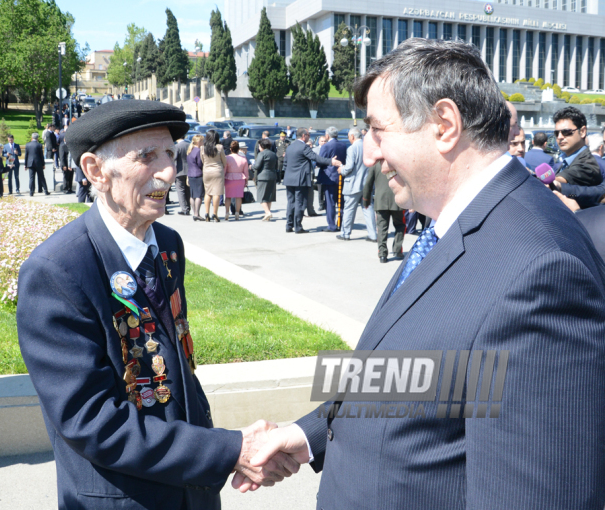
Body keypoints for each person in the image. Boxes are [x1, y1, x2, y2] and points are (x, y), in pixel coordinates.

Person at [245, 39, 605, 508]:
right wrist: (309, 432)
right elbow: (442, 374)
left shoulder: (541, 272)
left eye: (378, 130)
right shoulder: (456, 224)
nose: (369, 154)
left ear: (444, 125)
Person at [16, 100, 297, 509]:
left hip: (191, 489)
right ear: (96, 171)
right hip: (124, 498)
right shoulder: (56, 271)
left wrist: (218, 452)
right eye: (147, 157)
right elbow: (93, 423)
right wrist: (228, 450)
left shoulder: (167, 244)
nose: (169, 171)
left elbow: (175, 365)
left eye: (169, 154)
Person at [282, 128, 339, 234]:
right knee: (300, 202)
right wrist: (331, 161)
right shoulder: (304, 147)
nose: (309, 136)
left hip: (289, 179)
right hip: (300, 179)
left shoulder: (290, 147)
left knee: (291, 202)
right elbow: (315, 157)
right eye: (308, 135)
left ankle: (289, 225)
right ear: (304, 136)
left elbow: (285, 164)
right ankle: (298, 227)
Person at [363, 161, 404, 262]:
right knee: (400, 225)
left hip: (381, 200)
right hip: (397, 199)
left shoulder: (376, 165)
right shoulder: (398, 162)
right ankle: (397, 250)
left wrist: (366, 200)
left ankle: (382, 254)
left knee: (382, 228)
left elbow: (368, 183)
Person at [336, 127, 373, 241]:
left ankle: (345, 234)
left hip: (353, 185)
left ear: (352, 136)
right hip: (367, 184)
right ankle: (373, 235)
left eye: (349, 137)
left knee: (349, 209)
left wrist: (341, 169)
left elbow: (349, 167)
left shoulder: (352, 148)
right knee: (368, 208)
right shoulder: (368, 147)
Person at [552, 106, 603, 186]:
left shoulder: (588, 165)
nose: (560, 137)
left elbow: (558, 180)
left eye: (566, 132)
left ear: (582, 132)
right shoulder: (567, 160)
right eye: (556, 133)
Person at [317, 127, 347, 232]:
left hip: (329, 177)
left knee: (330, 202)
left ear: (327, 136)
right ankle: (341, 223)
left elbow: (319, 161)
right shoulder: (343, 145)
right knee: (341, 202)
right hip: (341, 176)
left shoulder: (326, 146)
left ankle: (332, 225)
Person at [201, 130, 227, 222]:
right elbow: (224, 161)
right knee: (216, 193)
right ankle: (215, 213)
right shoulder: (219, 147)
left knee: (207, 193)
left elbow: (202, 160)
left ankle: (206, 213)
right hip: (217, 172)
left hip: (207, 172)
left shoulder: (202, 148)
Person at [252, 138, 278, 221]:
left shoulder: (261, 154)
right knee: (269, 196)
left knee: (261, 197)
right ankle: (267, 214)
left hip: (263, 177)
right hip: (272, 176)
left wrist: (251, 167)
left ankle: (268, 212)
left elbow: (257, 166)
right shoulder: (273, 154)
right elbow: (276, 167)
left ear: (262, 146)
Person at [224, 141, 250, 220]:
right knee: (238, 197)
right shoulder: (243, 159)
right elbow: (246, 172)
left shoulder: (227, 158)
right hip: (240, 178)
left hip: (229, 178)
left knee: (228, 197)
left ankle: (227, 212)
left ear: (230, 149)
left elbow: (224, 170)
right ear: (238, 149)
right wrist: (246, 180)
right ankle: (237, 212)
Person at [186, 134, 205, 221]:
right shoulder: (198, 151)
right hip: (198, 173)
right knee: (199, 195)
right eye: (202, 141)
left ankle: (194, 213)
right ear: (199, 142)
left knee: (192, 195)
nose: (203, 142)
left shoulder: (190, 150)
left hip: (190, 174)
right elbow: (200, 163)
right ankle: (197, 214)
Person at [173, 137, 191, 215]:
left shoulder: (177, 147)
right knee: (188, 190)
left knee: (180, 190)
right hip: (189, 170)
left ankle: (184, 209)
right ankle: (188, 207)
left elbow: (174, 158)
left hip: (179, 171)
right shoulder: (189, 145)